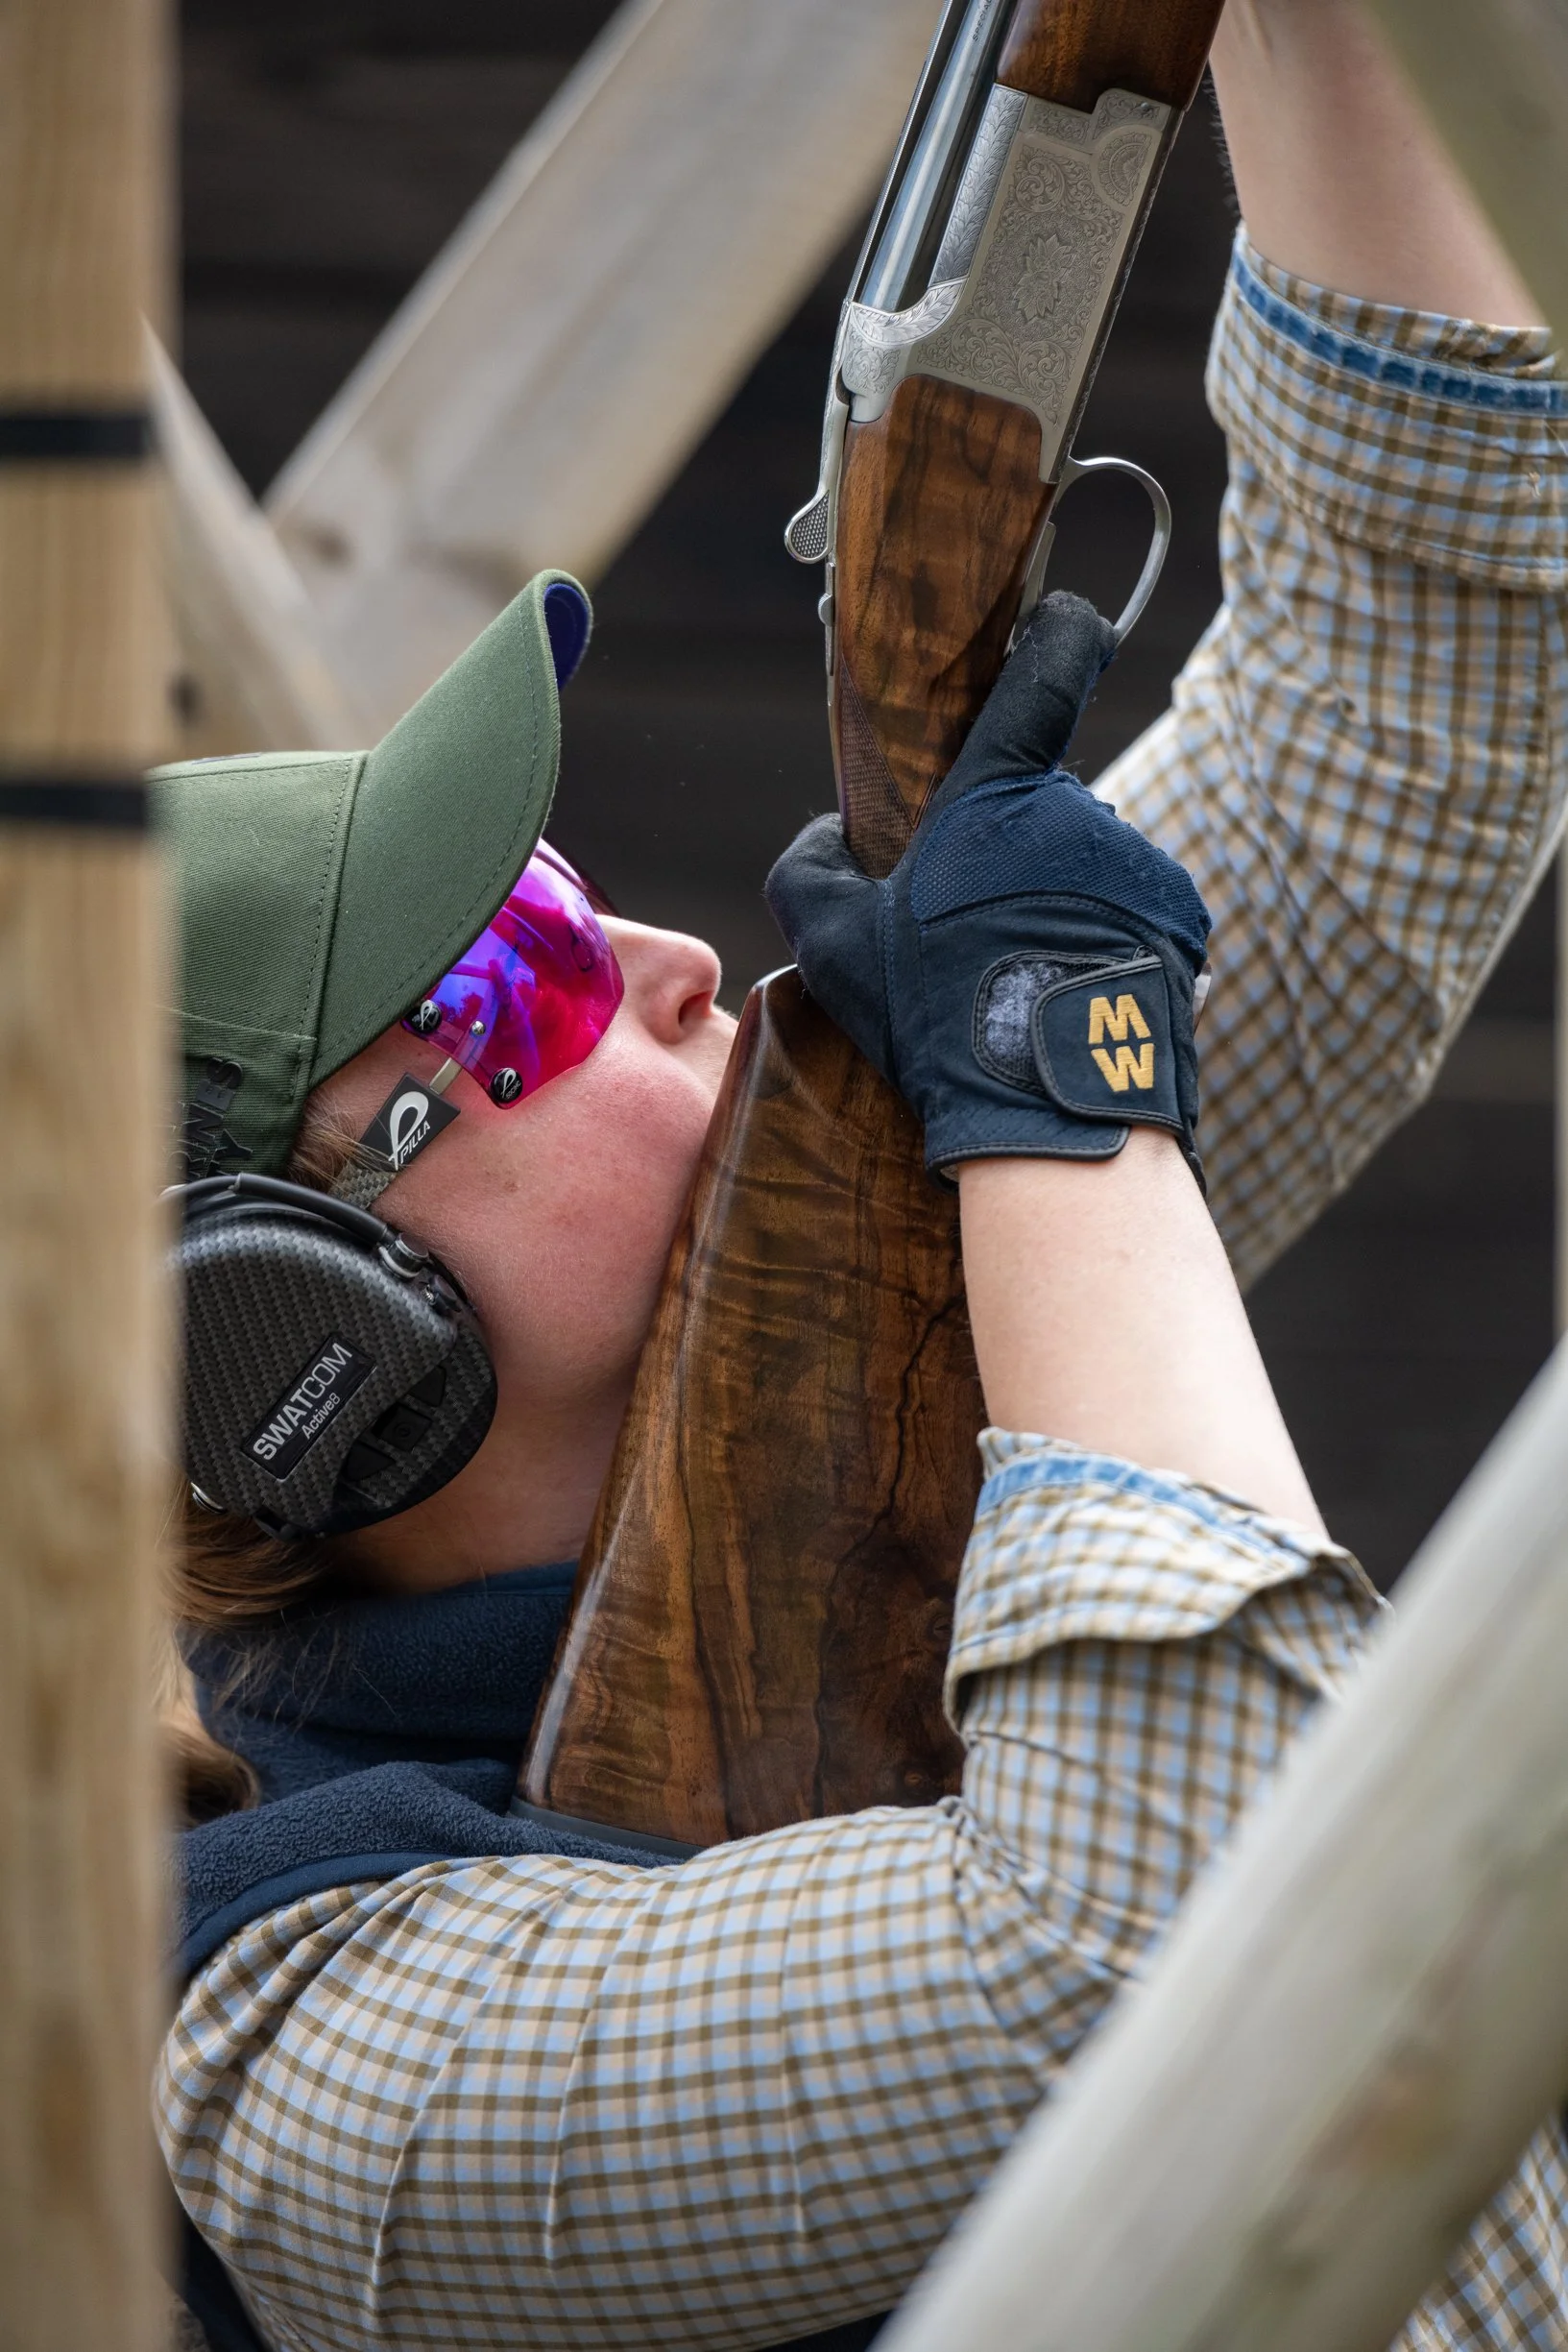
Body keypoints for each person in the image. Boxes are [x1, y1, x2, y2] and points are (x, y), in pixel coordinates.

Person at [157, 4, 1568, 2348]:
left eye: (568, 886)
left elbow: (1391, 708)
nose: (673, 959)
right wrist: (1059, 1073)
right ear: (292, 1329)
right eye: (514, 977)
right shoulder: (308, 2051)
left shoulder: (877, 1265)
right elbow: (1184, 1932)